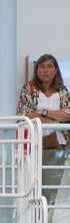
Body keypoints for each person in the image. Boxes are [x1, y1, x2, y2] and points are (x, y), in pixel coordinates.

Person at [20, 54, 70, 209]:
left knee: (51, 190)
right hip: (33, 145)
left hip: (57, 147)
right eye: (42, 66)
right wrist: (57, 119)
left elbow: (68, 114)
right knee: (33, 189)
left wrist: (42, 112)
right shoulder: (29, 89)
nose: (45, 70)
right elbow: (25, 114)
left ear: (56, 70)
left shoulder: (62, 91)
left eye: (49, 66)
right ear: (36, 70)